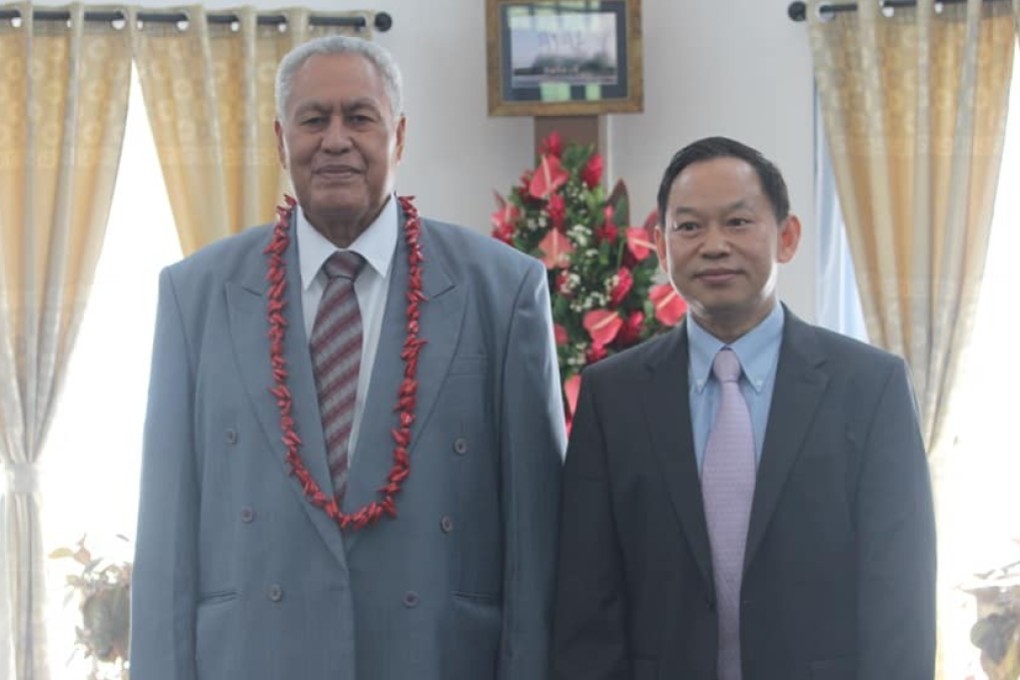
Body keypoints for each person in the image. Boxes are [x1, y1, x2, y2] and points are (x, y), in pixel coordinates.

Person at [130, 35, 565, 680]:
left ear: (399, 137)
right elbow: (164, 532)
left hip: (438, 656)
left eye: (360, 117)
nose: (336, 140)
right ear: (282, 141)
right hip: (254, 656)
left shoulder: (502, 291)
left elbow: (537, 543)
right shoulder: (197, 294)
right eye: (314, 119)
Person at [552, 136, 936, 679]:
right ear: (660, 247)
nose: (714, 245)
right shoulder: (612, 396)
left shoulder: (869, 387)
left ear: (787, 236)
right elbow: (588, 603)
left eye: (737, 222)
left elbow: (901, 598)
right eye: (689, 226)